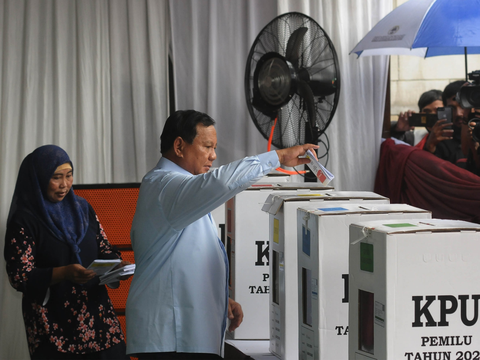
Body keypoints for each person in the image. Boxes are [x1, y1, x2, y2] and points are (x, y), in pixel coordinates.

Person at [125, 110, 318, 359]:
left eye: (214, 148)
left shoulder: (180, 189)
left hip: (181, 334)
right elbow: (221, 182)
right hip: (170, 338)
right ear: (179, 146)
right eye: (207, 147)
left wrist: (219, 297)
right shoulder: (165, 186)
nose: (214, 156)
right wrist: (277, 157)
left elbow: (183, 257)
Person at [4, 145, 131, 360]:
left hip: (98, 319)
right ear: (39, 179)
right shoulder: (25, 219)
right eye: (56, 177)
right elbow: (20, 276)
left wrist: (116, 267)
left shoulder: (82, 208)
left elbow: (104, 249)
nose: (65, 185)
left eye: (69, 175)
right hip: (53, 326)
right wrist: (64, 273)